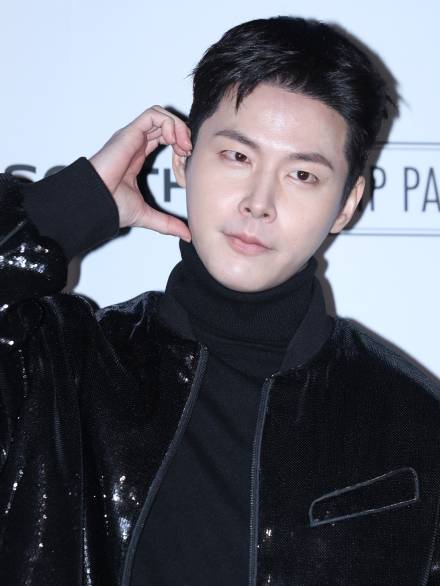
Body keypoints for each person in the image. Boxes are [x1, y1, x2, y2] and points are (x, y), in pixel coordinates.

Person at [1, 15, 440, 586]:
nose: (259, 201)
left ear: (348, 203)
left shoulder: (412, 420)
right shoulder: (60, 366)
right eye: (237, 157)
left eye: (302, 175)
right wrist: (70, 208)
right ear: (183, 159)